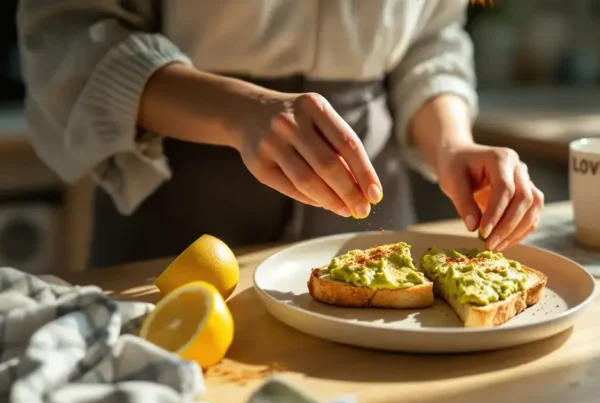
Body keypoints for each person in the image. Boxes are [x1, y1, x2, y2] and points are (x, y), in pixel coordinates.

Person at [18, 0, 544, 268]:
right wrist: (240, 111)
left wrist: (453, 144)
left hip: (371, 220)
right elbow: (71, 33)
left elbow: (430, 38)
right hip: (177, 222)